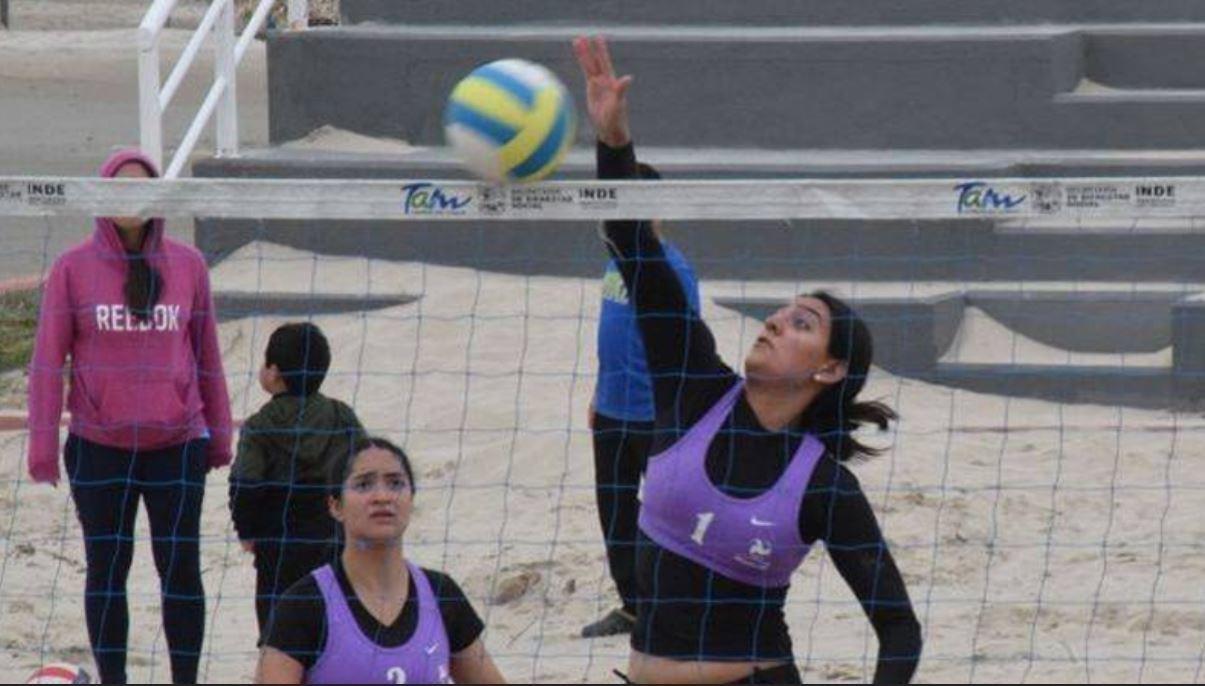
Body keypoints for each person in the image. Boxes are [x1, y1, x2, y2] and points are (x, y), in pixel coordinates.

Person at [573, 36, 923, 684]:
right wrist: (613, 143)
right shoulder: (693, 385)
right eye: (779, 312)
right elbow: (632, 246)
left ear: (828, 369)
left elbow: (898, 628)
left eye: (801, 323)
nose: (773, 322)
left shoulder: (822, 485)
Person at [26, 149, 233, 684]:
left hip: (177, 443)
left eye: (142, 188)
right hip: (99, 446)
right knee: (107, 571)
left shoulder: (188, 265)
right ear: (102, 196)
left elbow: (207, 353)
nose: (131, 199)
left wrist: (220, 434)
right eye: (120, 188)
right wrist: (43, 447)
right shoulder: (73, 268)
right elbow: (48, 360)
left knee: (181, 569)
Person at [255, 437, 505, 684]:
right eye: (364, 485)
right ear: (335, 506)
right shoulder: (304, 605)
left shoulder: (441, 593)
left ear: (411, 498)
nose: (382, 496)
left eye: (395, 483)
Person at [584, 163, 701, 638]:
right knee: (614, 511)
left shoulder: (673, 269)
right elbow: (612, 337)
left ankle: (682, 607)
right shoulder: (615, 261)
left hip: (657, 415)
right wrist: (598, 391)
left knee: (671, 516)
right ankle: (633, 606)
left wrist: (684, 410)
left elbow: (691, 346)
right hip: (611, 411)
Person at [229, 322, 366, 638]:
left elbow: (245, 484)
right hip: (334, 534)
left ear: (273, 373)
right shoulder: (341, 416)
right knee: (334, 617)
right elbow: (363, 468)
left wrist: (246, 529)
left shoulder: (260, 426)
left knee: (278, 626)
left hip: (279, 540)